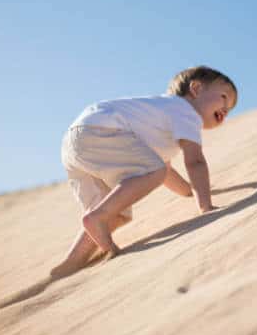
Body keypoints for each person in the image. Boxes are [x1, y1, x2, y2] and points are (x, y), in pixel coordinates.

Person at [50, 66, 237, 277]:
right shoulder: (186, 111)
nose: (226, 108)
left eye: (230, 108)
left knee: (117, 212)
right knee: (146, 176)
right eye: (224, 97)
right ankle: (97, 218)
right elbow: (195, 162)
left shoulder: (158, 119)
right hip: (104, 130)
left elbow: (166, 171)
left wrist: (188, 191)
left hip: (76, 143)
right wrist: (205, 205)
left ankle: (72, 262)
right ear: (196, 89)